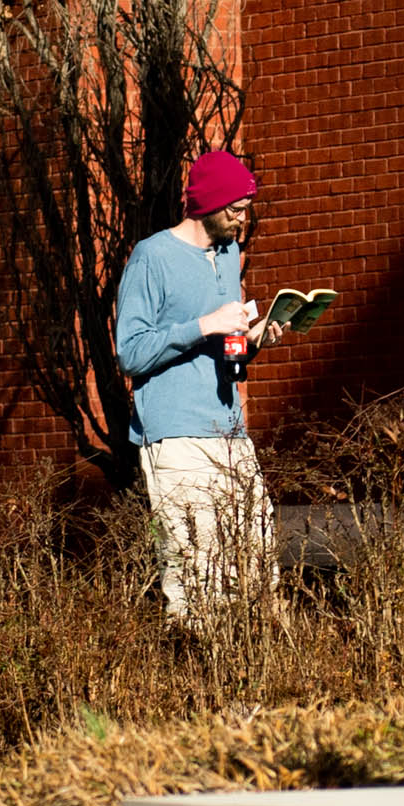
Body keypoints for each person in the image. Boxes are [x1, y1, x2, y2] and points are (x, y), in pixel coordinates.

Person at [114, 150, 288, 620]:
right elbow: (130, 352)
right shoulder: (153, 257)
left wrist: (252, 342)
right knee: (197, 569)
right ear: (205, 204)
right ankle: (193, 679)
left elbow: (226, 349)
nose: (240, 219)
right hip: (174, 435)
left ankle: (256, 672)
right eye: (234, 209)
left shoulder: (229, 255)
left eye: (246, 209)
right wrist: (204, 325)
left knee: (258, 559)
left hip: (229, 431)